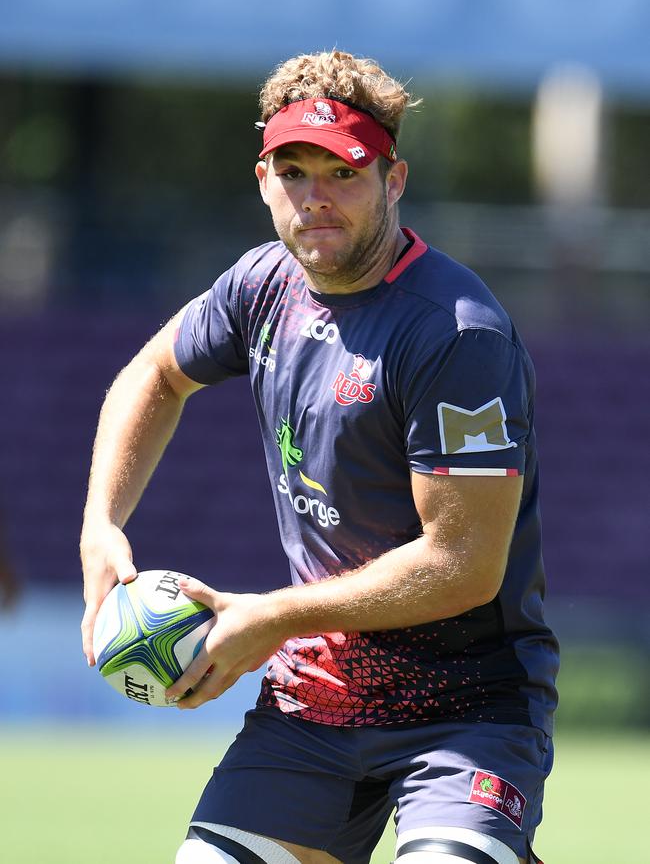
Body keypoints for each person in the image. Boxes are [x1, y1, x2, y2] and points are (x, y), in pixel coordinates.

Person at [80, 50, 558, 864]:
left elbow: (466, 563)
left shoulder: (456, 333)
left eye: (343, 170)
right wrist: (101, 524)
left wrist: (271, 616)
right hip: (313, 703)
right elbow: (154, 374)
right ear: (264, 180)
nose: (316, 196)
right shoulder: (260, 286)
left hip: (468, 707)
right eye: (293, 171)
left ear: (394, 179)